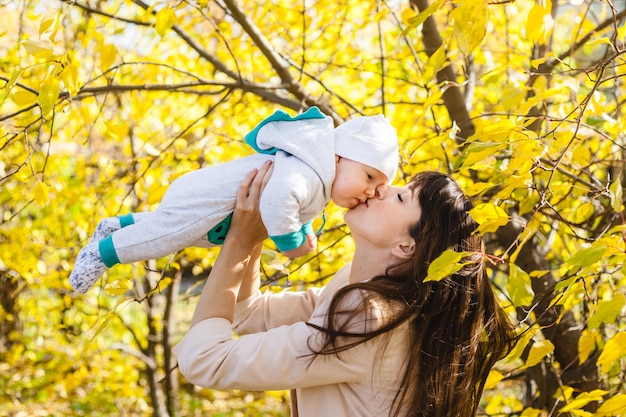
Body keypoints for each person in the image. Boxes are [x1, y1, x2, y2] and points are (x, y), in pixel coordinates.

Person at [173, 162, 517, 417]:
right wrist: (261, 221)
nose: (382, 187)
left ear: (406, 247)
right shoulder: (360, 286)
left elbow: (204, 361)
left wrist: (239, 238)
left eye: (400, 197)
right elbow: (248, 312)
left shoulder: (367, 314)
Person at [69, 106, 399, 294]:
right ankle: (101, 253)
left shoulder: (314, 175)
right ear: (339, 157)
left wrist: (305, 224)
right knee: (162, 238)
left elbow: (293, 199)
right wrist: (292, 242)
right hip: (210, 201)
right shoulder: (309, 171)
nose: (371, 191)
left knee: (163, 227)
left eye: (379, 186)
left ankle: (114, 227)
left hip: (208, 208)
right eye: (369, 177)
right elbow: (280, 198)